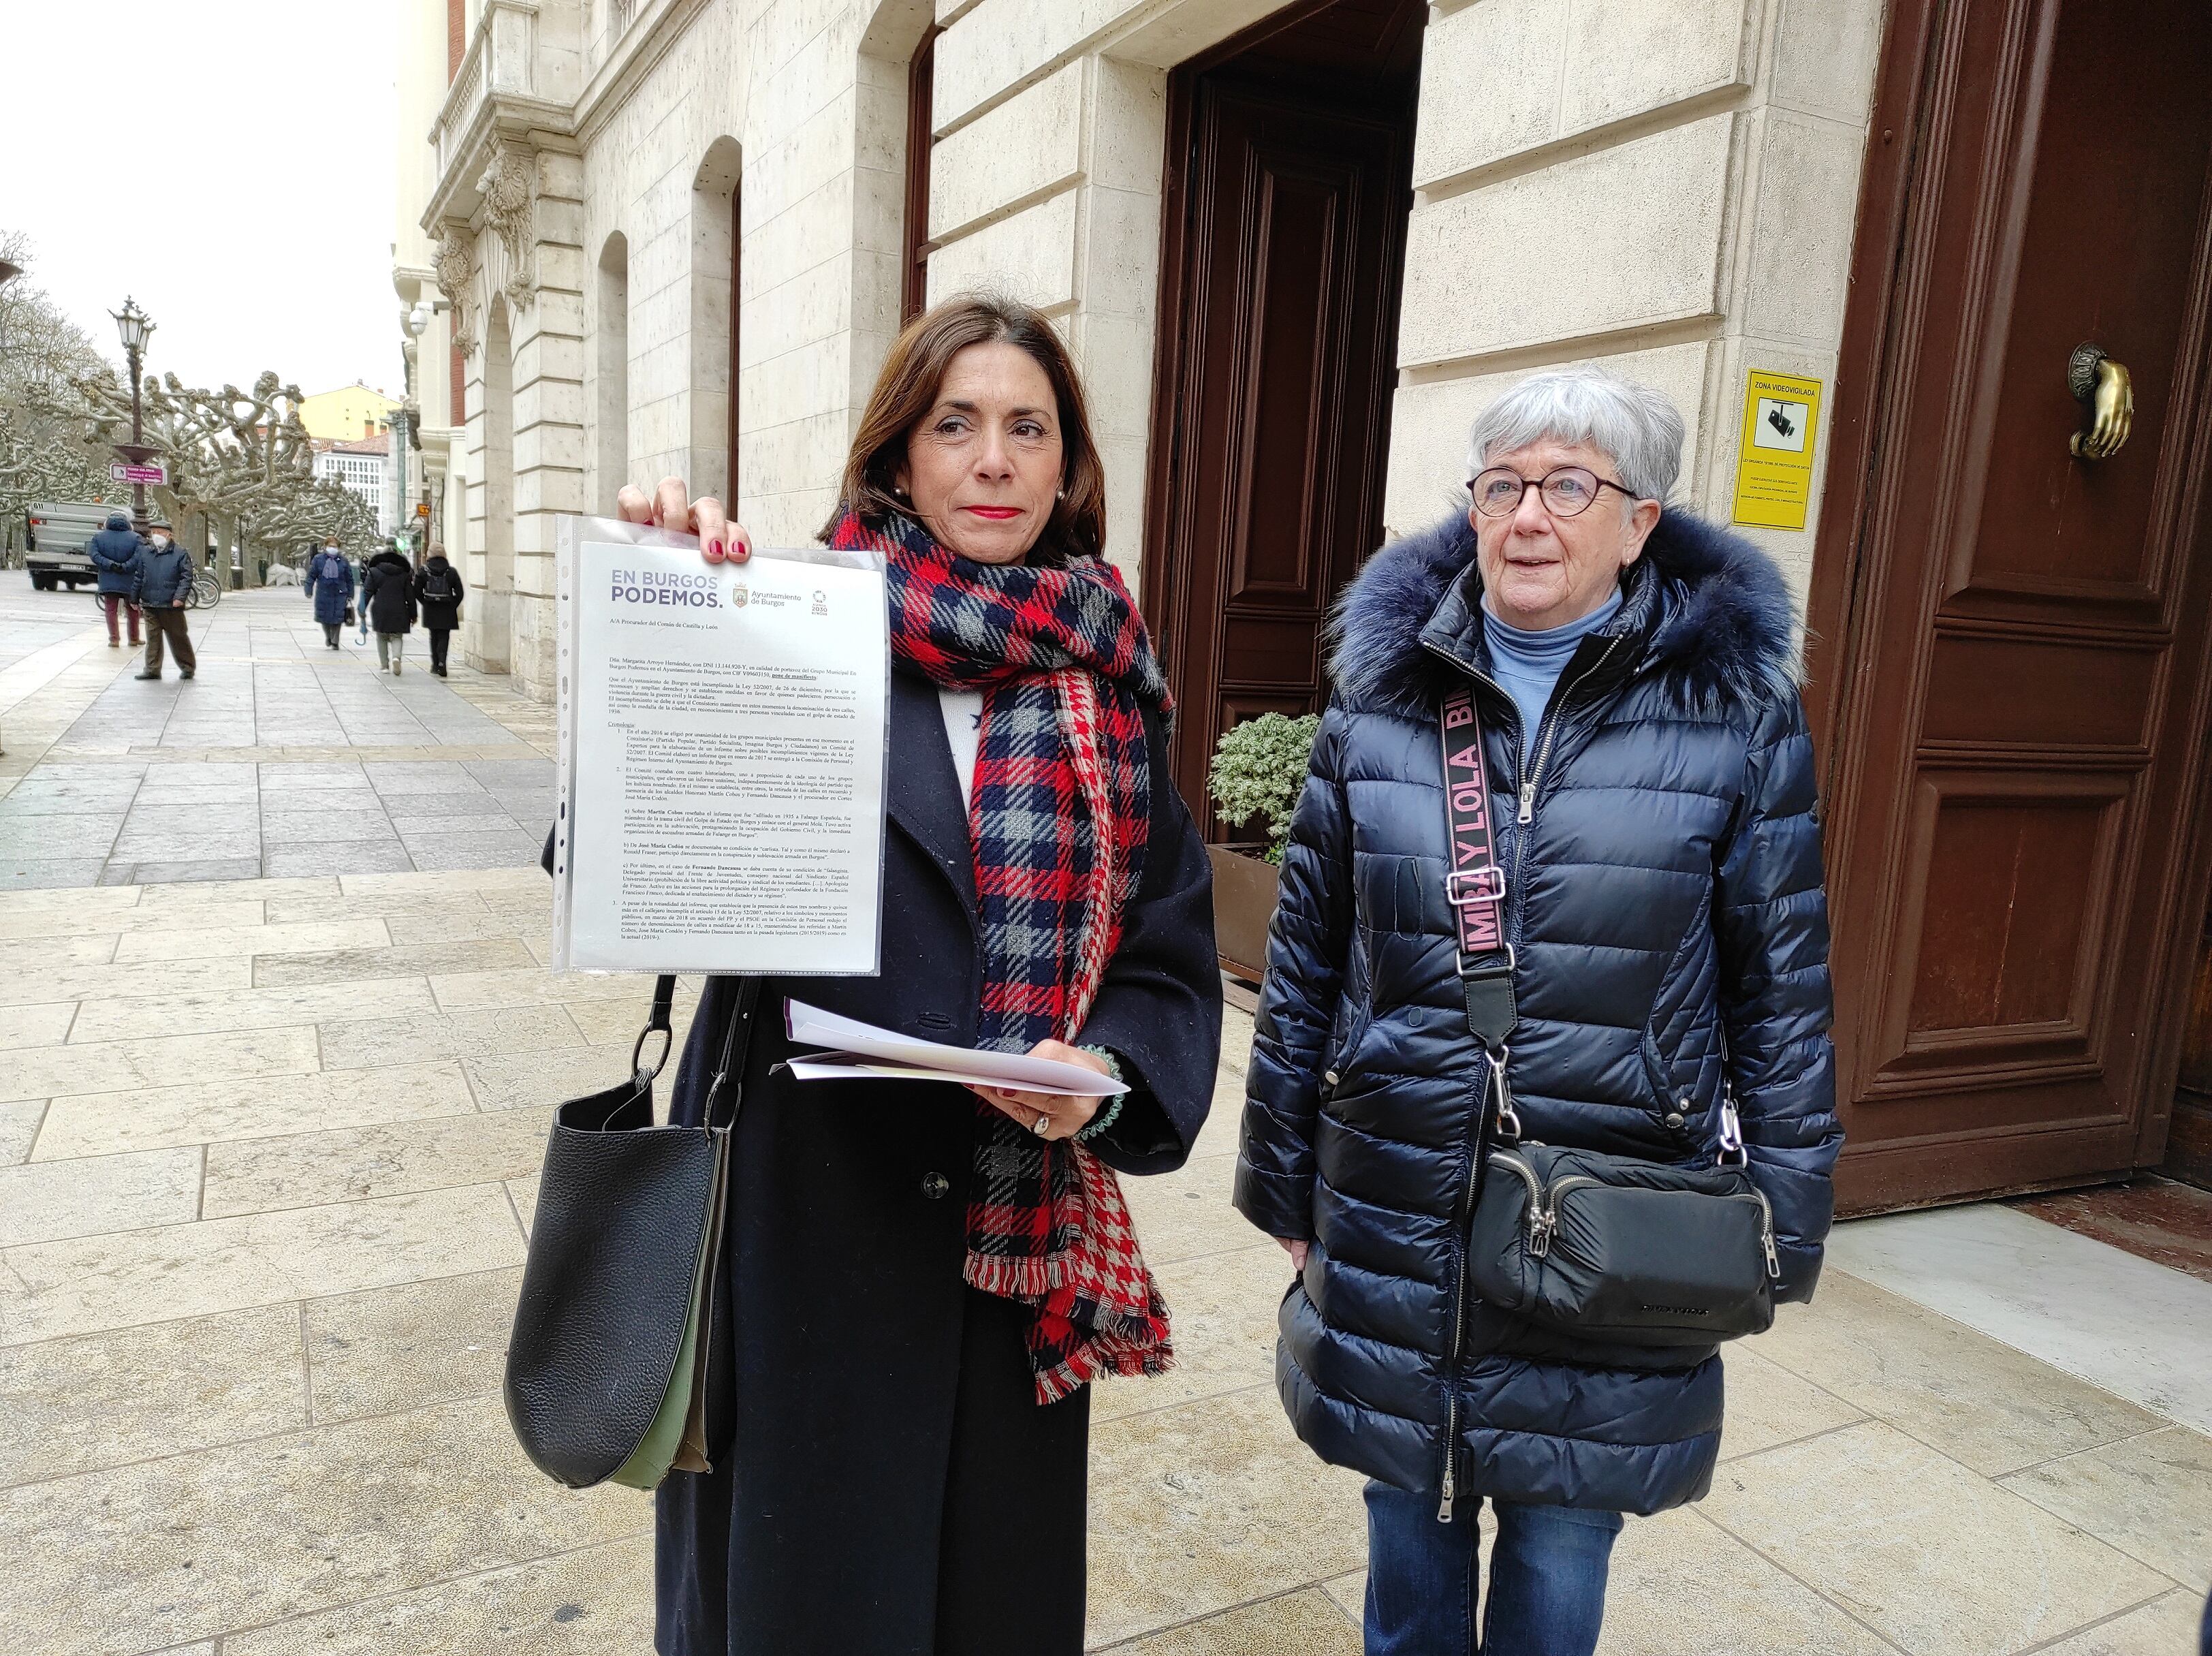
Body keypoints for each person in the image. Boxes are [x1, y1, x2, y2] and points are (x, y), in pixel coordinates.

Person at [601, 293, 1222, 1656]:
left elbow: (1170, 950)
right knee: (810, 1593)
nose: (993, 460)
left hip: (1011, 1242)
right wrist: (660, 626)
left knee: (985, 1601)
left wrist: (1109, 1076)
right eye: (955, 426)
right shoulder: (782, 625)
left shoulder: (1111, 681)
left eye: (1027, 428)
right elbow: (626, 859)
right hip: (809, 1215)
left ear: (1067, 467)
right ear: (898, 459)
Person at [1233, 366, 1841, 1656]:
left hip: (1613, 1215)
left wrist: (1782, 1222)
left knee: (1560, 1563)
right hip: (1398, 1197)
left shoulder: (1733, 720)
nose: (1526, 517)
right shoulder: (1382, 705)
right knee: (1407, 1549)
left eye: (1569, 485)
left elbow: (1779, 986)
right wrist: (1282, 1187)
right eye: (1502, 484)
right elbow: (1303, 965)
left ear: (1638, 520)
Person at [130, 517, 198, 682]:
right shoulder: (146, 553)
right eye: (153, 532)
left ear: (169, 535)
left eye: (160, 532)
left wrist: (179, 598)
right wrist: (134, 597)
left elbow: (186, 577)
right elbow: (139, 576)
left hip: (171, 605)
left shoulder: (180, 553)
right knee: (153, 638)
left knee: (178, 637)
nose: (156, 535)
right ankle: (152, 669)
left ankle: (187, 667)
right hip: (150, 602)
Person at [86, 511, 143, 649]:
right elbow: (139, 556)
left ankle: (114, 639)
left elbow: (94, 554)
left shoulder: (99, 537)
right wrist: (126, 566)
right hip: (129, 579)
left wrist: (109, 564)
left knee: (110, 609)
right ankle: (134, 638)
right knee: (133, 609)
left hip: (108, 578)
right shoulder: (136, 538)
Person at [362, 544, 416, 674]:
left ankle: (385, 666)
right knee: (397, 636)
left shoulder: (374, 572)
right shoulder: (404, 574)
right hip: (400, 608)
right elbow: (410, 596)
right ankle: (396, 657)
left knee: (382, 636)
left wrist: (361, 608)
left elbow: (367, 592)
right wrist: (414, 614)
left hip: (380, 608)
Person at [412, 542, 464, 676]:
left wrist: (425, 602)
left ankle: (435, 664)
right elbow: (460, 593)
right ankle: (442, 663)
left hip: (431, 608)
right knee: (444, 636)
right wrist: (452, 605)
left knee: (433, 636)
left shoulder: (424, 571)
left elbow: (416, 591)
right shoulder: (451, 572)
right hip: (447, 609)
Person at [307, 538, 353, 648]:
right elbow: (311, 576)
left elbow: (349, 579)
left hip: (340, 593)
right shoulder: (318, 560)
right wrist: (309, 590)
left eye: (335, 546)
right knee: (325, 618)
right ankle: (328, 636)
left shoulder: (344, 561)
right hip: (324, 593)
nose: (333, 548)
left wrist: (350, 594)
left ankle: (335, 640)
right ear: (325, 547)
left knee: (338, 618)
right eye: (330, 546)